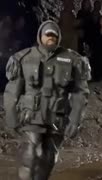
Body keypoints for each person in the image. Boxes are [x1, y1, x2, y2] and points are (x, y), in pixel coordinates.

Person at [3, 20, 90, 180]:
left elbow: (80, 93)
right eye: (47, 35)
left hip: (58, 116)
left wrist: (75, 121)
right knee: (30, 152)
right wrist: (11, 117)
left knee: (50, 155)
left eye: (54, 36)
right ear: (40, 36)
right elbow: (11, 91)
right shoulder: (23, 58)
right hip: (31, 115)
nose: (51, 38)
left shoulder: (73, 60)